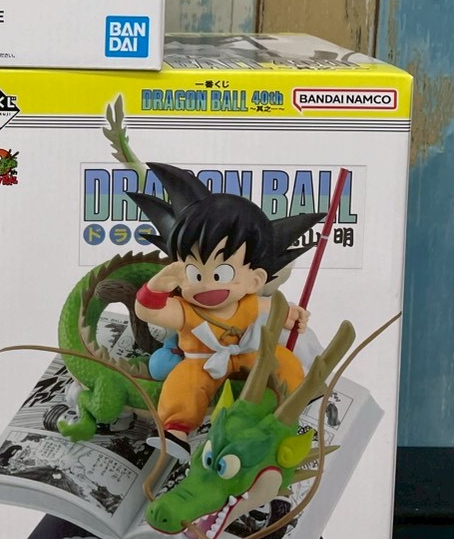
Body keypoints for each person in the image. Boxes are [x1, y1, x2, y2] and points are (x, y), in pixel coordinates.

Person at [131, 163, 324, 440]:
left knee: (284, 362)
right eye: (195, 273)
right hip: (202, 363)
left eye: (221, 274)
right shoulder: (188, 310)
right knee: (183, 383)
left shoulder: (251, 302)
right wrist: (157, 286)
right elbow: (149, 311)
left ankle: (286, 410)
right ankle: (176, 431)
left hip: (250, 356)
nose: (207, 284)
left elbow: (276, 311)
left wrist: (293, 317)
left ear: (255, 280)